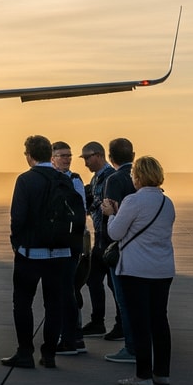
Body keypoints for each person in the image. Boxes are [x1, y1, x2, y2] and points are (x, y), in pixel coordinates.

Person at [2, 135, 75, 370]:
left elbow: (18, 217)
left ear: (30, 155)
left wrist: (16, 242)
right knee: (54, 304)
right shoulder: (65, 179)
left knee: (22, 303)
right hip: (60, 252)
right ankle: (50, 353)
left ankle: (25, 352)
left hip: (31, 252)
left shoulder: (25, 180)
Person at [106, 155, 176, 385]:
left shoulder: (133, 201)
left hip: (136, 269)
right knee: (159, 321)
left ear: (137, 176)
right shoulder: (168, 203)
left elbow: (115, 233)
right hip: (163, 269)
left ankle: (143, 374)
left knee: (140, 321)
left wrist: (111, 214)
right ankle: (162, 373)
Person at [98, 138, 139, 364]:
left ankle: (131, 346)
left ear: (110, 157)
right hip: (140, 247)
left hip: (119, 245)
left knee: (123, 298)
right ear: (133, 155)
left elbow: (110, 215)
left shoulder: (114, 179)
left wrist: (105, 246)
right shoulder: (139, 178)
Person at [51, 141, 90, 357]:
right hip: (69, 242)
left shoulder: (73, 180)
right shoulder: (60, 179)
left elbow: (80, 212)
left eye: (68, 155)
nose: (66, 159)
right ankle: (75, 336)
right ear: (52, 158)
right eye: (62, 155)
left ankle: (71, 337)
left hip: (69, 244)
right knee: (69, 290)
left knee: (66, 290)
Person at [78, 141, 116, 339]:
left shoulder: (111, 178)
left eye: (87, 157)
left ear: (99, 155)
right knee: (93, 279)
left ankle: (120, 323)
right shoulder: (96, 179)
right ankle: (97, 321)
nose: (85, 163)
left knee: (113, 282)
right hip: (100, 237)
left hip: (110, 237)